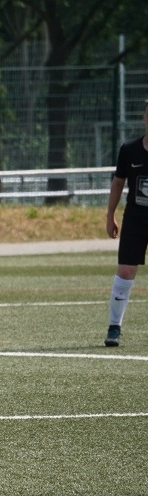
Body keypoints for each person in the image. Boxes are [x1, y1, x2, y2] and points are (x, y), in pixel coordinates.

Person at [104, 98, 148, 347]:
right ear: (144, 119)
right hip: (135, 221)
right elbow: (118, 183)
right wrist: (110, 215)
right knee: (125, 272)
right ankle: (114, 327)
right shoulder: (129, 150)